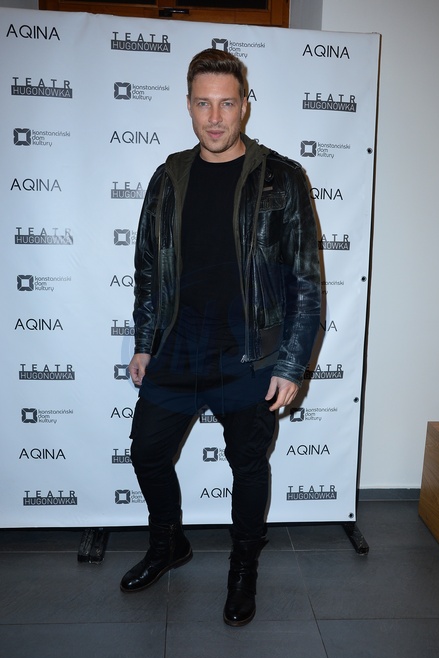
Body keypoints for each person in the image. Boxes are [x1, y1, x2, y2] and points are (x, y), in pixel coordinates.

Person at [120, 48, 321, 627]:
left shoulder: (281, 177)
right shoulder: (168, 177)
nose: (215, 118)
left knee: (247, 465)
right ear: (188, 106)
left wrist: (291, 364)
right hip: (178, 345)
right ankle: (168, 544)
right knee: (147, 451)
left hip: (249, 352)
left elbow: (306, 280)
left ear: (244, 107)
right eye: (203, 104)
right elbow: (148, 268)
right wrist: (144, 341)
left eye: (226, 104)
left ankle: (243, 569)